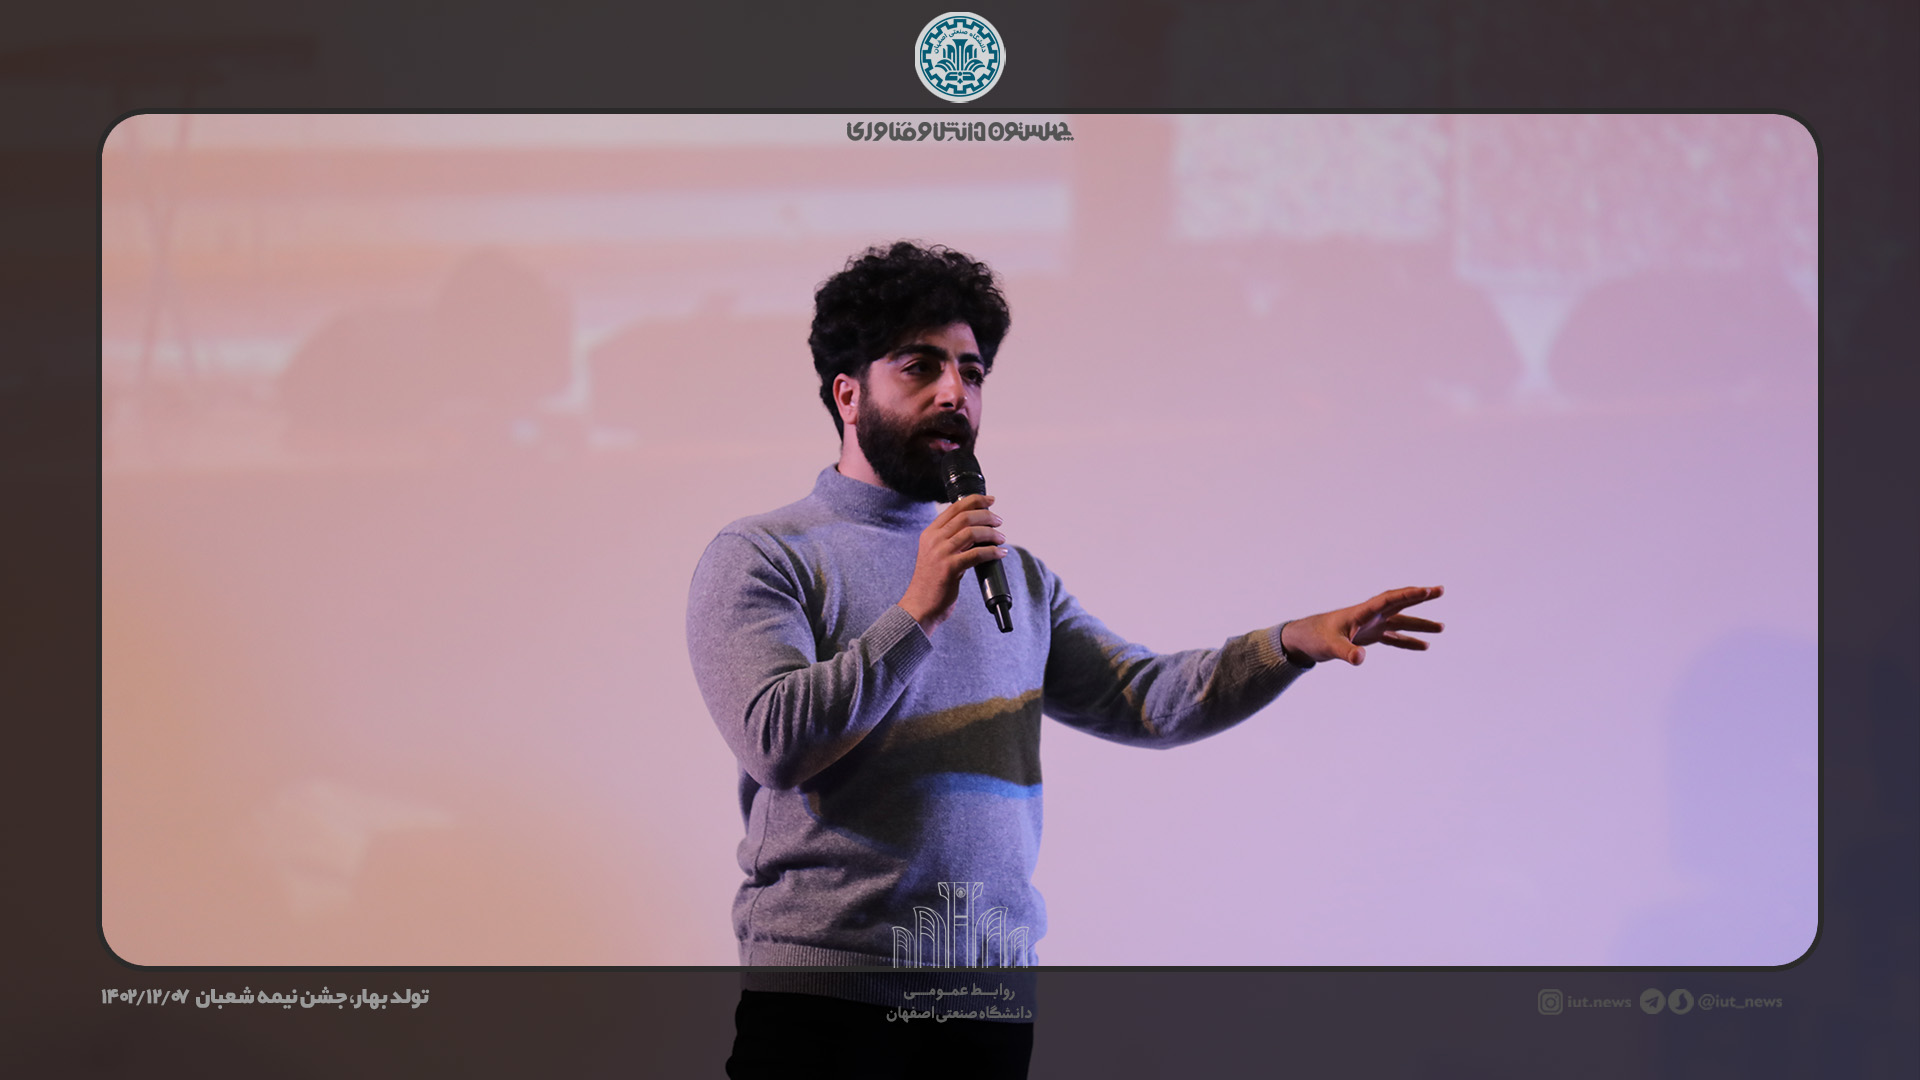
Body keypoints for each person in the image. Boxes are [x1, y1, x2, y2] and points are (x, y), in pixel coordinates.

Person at [685, 241, 1443, 1078]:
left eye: (972, 373)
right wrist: (919, 609)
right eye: (920, 367)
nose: (954, 393)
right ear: (848, 393)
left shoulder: (1015, 576)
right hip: (829, 1004)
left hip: (987, 1002)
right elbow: (777, 742)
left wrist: (1289, 643)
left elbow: (1145, 698)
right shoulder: (766, 555)